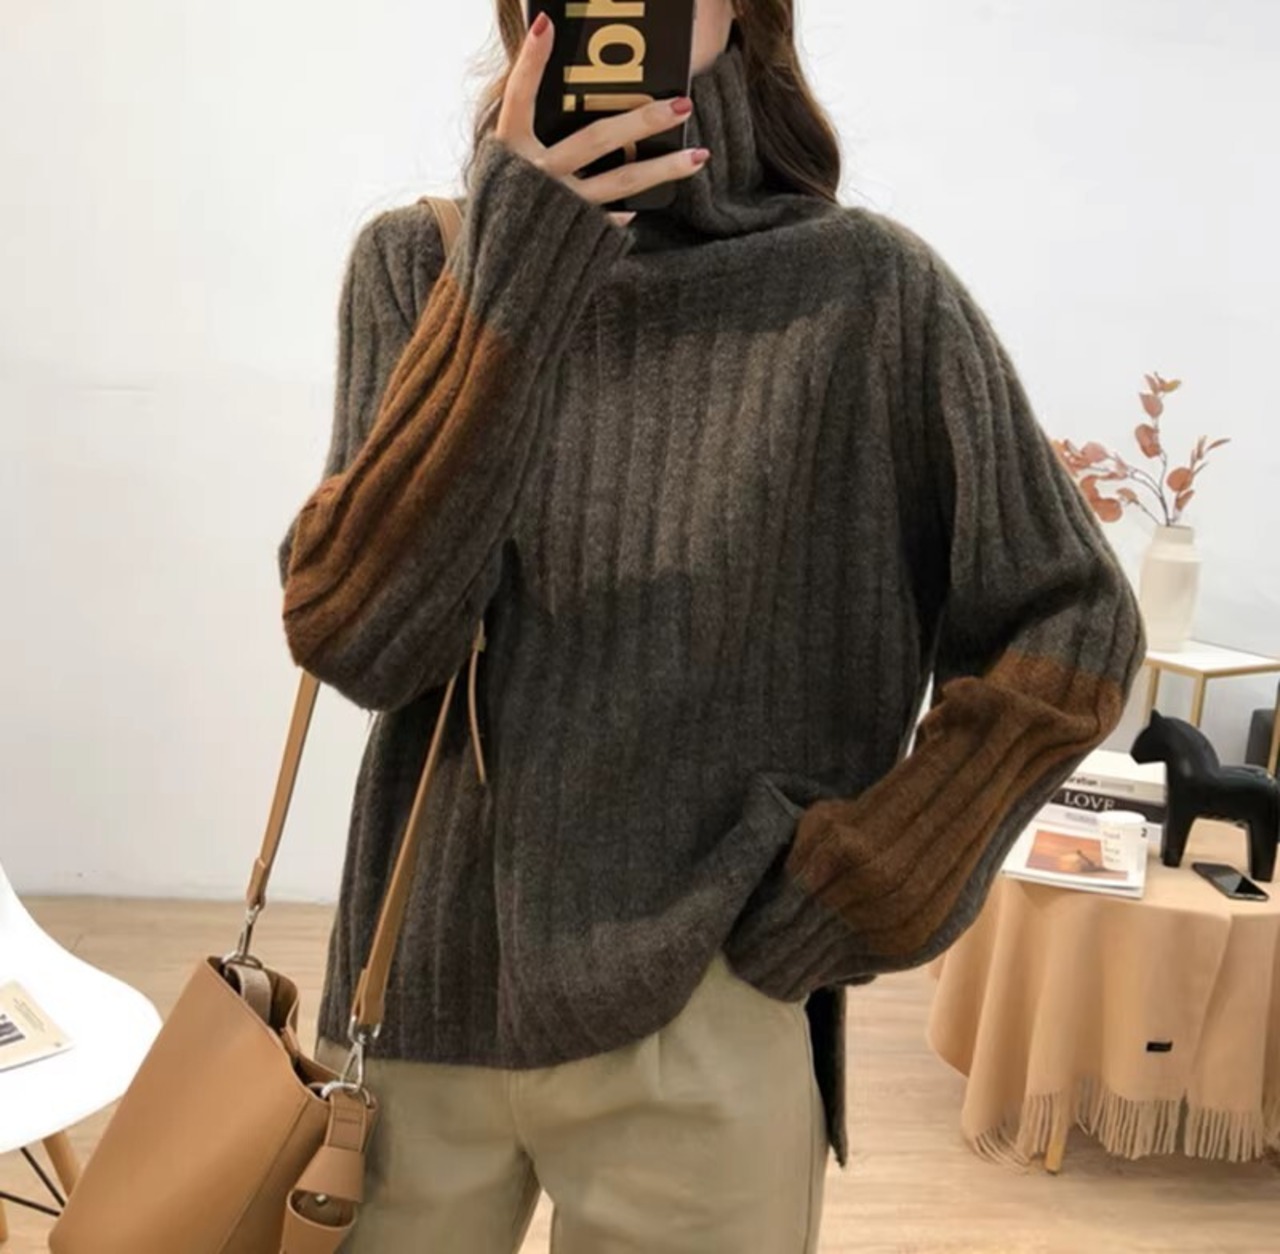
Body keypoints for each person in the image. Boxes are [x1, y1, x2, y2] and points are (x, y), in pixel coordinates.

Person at [277, 2, 1146, 1250]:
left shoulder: (866, 294)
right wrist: (516, 273)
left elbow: (1069, 616)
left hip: (707, 1004)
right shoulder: (421, 266)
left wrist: (867, 880)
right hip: (412, 1005)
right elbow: (360, 641)